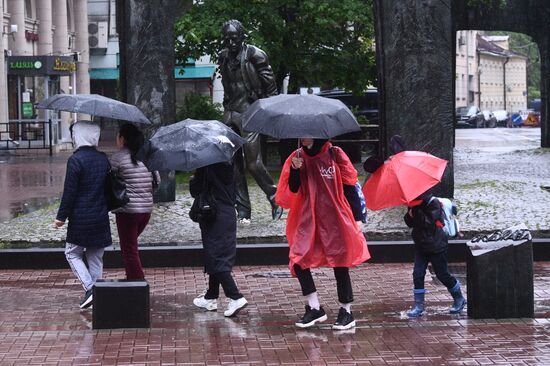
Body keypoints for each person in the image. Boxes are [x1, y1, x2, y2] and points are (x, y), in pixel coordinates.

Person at [276, 139, 371, 330]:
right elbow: (293, 189)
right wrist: (295, 169)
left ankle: (346, 311)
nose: (304, 136)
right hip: (308, 217)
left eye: (308, 132)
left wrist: (358, 217)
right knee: (299, 258)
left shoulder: (335, 154)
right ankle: (314, 306)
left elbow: (350, 185)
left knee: (340, 261)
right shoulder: (297, 156)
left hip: (335, 216)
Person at [218, 19, 282, 222]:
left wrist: (269, 111)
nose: (231, 42)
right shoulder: (223, 57)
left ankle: (275, 198)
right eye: (227, 38)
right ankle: (243, 209)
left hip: (249, 112)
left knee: (253, 164)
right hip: (230, 113)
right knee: (231, 164)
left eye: (234, 38)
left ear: (242, 37)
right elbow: (227, 86)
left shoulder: (255, 54)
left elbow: (270, 85)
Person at [54, 121, 112, 309]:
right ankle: (99, 294)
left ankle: (91, 289)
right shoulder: (103, 158)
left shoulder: (76, 160)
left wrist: (61, 217)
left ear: (78, 136)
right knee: (95, 256)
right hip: (100, 216)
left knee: (72, 253)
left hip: (81, 217)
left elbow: (70, 192)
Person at [190, 162, 248, 317]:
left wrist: (194, 178)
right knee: (215, 255)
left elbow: (195, 191)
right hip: (228, 214)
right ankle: (210, 296)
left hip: (214, 216)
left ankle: (235, 296)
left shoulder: (205, 166)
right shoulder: (230, 166)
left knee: (216, 258)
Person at [404, 190, 466, 317]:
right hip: (421, 245)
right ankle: (419, 305)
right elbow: (410, 223)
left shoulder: (434, 203)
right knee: (418, 273)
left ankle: (459, 298)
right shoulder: (413, 203)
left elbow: (427, 223)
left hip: (436, 245)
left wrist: (415, 212)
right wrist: (410, 214)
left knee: (442, 274)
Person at [110, 123, 158, 280]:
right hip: (146, 211)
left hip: (127, 212)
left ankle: (137, 282)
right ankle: (131, 278)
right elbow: (157, 181)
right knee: (130, 247)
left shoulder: (117, 158)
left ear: (122, 139)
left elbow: (110, 182)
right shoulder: (147, 156)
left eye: (118, 136)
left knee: (129, 249)